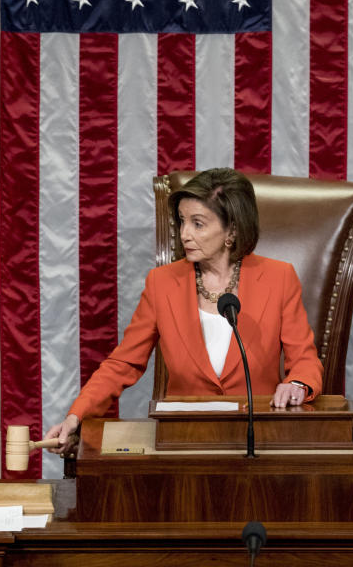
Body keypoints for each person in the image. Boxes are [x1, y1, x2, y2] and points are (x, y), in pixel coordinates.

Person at [46, 168, 324, 454]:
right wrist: (76, 415)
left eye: (198, 224)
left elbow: (304, 359)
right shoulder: (162, 283)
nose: (184, 234)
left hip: (259, 440)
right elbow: (123, 364)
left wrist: (298, 384)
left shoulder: (279, 278)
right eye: (181, 221)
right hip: (184, 443)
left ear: (232, 229)